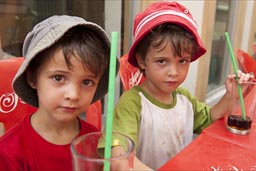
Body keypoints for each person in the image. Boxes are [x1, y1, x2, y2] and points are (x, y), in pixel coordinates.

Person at [110, 1, 254, 170]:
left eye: (182, 61)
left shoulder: (183, 98)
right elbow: (120, 159)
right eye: (162, 61)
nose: (174, 72)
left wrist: (230, 96)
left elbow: (209, 118)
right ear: (142, 60)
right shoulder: (132, 103)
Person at [0, 15, 111, 170]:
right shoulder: (9, 152)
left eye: (87, 82)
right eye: (58, 78)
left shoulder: (97, 143)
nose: (73, 94)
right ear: (32, 77)